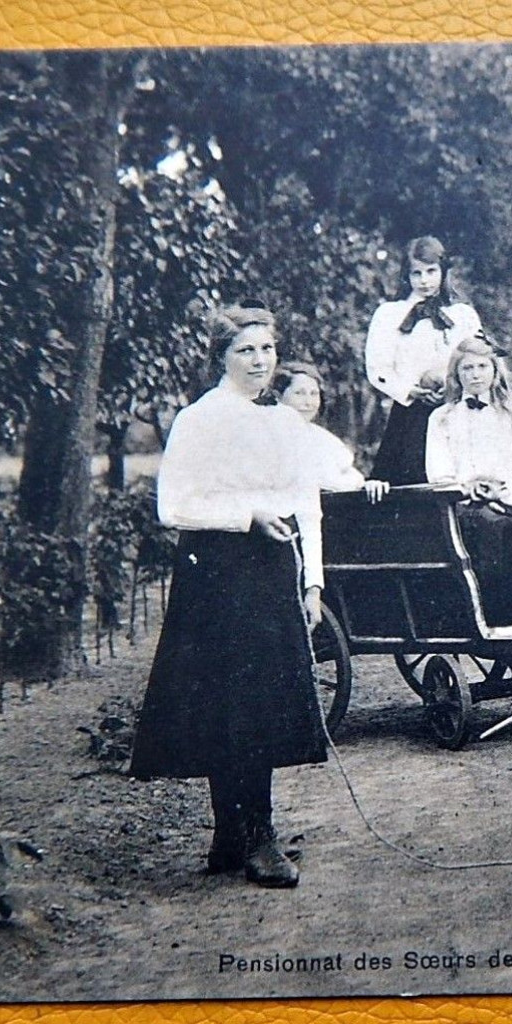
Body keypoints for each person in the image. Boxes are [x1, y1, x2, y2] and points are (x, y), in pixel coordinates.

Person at [129, 302, 328, 889]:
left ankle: (251, 830)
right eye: (245, 350)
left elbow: (306, 502)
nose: (259, 361)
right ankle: (241, 834)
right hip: (216, 573)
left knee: (263, 700)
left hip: (271, 571)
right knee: (227, 702)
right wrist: (248, 516)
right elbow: (174, 508)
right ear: (221, 357)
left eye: (267, 349)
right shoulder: (200, 420)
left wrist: (312, 579)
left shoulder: (283, 422)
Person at [425, 335, 512, 625]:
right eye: (467, 368)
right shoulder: (441, 417)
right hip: (460, 505)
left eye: (482, 366)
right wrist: (464, 488)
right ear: (456, 375)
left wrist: (503, 491)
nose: (475, 375)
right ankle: (491, 616)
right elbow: (438, 471)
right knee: (487, 526)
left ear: (495, 372)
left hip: (505, 500)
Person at [364, 236, 482, 485]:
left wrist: (454, 387)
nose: (424, 280)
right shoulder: (389, 315)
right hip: (411, 413)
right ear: (407, 276)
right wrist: (410, 390)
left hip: (455, 407)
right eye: (417, 273)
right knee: (412, 482)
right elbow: (378, 367)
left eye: (431, 271)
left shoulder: (463, 315)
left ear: (443, 271)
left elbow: (476, 356)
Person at [273, 360, 389, 501]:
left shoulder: (322, 438)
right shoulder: (267, 434)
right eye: (299, 393)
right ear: (277, 396)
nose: (308, 402)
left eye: (314, 394)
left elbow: (347, 475)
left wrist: (366, 485)